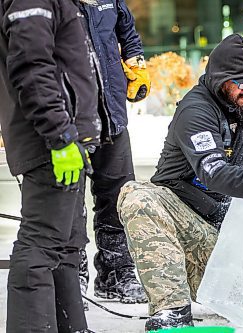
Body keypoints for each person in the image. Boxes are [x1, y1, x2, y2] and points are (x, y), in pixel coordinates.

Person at [117, 33, 243, 330]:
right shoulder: (197, 111)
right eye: (241, 82)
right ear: (221, 79)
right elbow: (214, 173)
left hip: (221, 240)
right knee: (139, 197)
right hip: (181, 222)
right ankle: (172, 310)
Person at [0, 0, 106, 331]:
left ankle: (71, 327)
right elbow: (31, 66)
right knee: (42, 245)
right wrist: (59, 135)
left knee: (67, 245)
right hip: (49, 140)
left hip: (67, 139)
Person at [77, 0, 150, 305]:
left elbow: (127, 31)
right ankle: (72, 278)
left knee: (118, 198)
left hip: (113, 114)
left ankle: (115, 275)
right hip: (72, 119)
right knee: (68, 206)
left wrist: (136, 63)